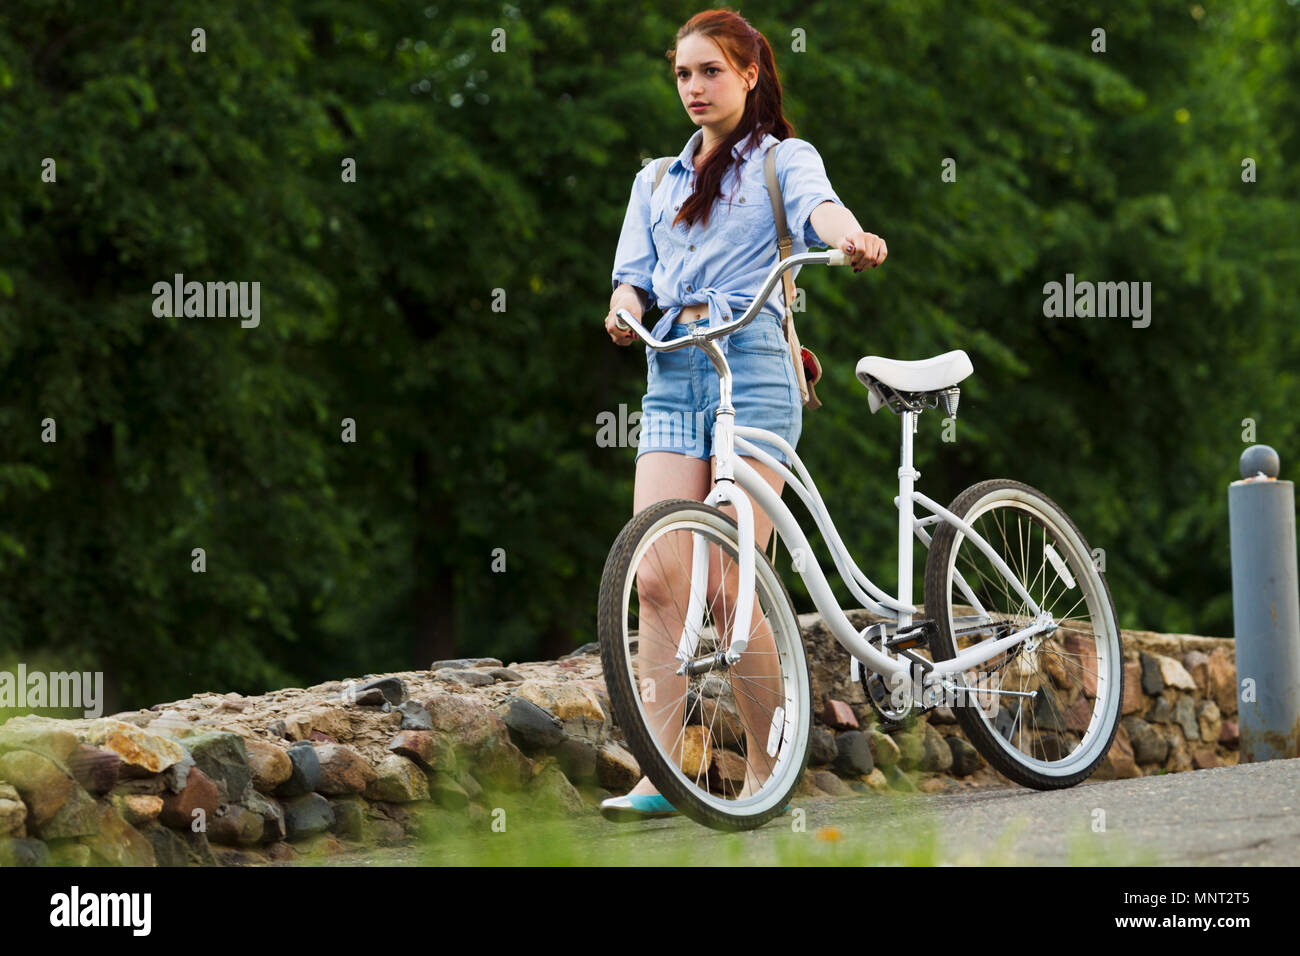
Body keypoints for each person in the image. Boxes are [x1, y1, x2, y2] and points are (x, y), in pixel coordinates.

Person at [600, 9, 886, 822]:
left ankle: (769, 762)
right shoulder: (654, 179)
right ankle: (663, 769)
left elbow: (821, 210)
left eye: (711, 73)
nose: (694, 88)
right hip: (670, 373)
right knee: (655, 576)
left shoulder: (779, 161)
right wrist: (624, 308)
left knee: (730, 584)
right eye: (684, 74)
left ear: (750, 74)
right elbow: (634, 276)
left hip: (753, 368)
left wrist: (852, 237)